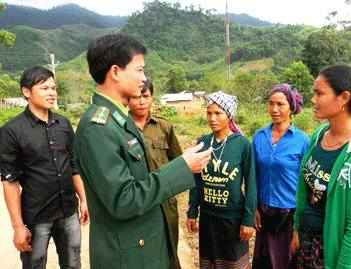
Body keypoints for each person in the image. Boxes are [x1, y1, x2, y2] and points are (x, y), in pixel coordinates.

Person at [73, 34, 212, 269]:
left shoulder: (118, 118)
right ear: (115, 72)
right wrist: (183, 167)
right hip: (127, 255)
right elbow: (123, 199)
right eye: (139, 70)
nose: (144, 78)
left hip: (143, 247)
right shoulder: (98, 128)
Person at [291, 65, 351, 269]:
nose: (313, 100)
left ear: (344, 98)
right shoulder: (320, 134)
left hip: (335, 252)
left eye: (319, 93)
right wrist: (297, 230)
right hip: (308, 242)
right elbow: (305, 191)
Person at [0, 66, 89, 269]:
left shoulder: (64, 124)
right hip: (37, 217)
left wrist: (83, 200)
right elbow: (10, 181)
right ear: (26, 92)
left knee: (74, 264)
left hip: (68, 211)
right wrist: (18, 227)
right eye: (44, 88)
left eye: (54, 88)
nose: (51, 93)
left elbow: (74, 166)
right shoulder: (12, 131)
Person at [187, 91, 257, 269]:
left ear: (229, 115)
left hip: (232, 219)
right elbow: (196, 181)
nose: (212, 118)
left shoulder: (242, 144)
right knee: (209, 264)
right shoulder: (202, 143)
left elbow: (250, 184)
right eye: (209, 113)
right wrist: (192, 212)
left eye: (218, 113)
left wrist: (248, 220)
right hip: (209, 217)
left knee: (232, 264)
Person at [252, 84, 310, 269]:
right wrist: (254, 209)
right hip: (263, 211)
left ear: (291, 107)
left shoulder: (303, 140)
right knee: (263, 262)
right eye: (270, 103)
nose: (274, 109)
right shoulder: (259, 137)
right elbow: (254, 176)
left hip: (288, 215)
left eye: (280, 104)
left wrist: (298, 228)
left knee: (284, 262)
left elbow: (306, 185)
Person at [128, 79, 183, 269]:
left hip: (165, 202)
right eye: (136, 97)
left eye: (146, 96)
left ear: (152, 98)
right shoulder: (121, 129)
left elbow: (178, 162)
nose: (142, 101)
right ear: (127, 99)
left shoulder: (163, 127)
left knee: (170, 249)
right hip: (138, 201)